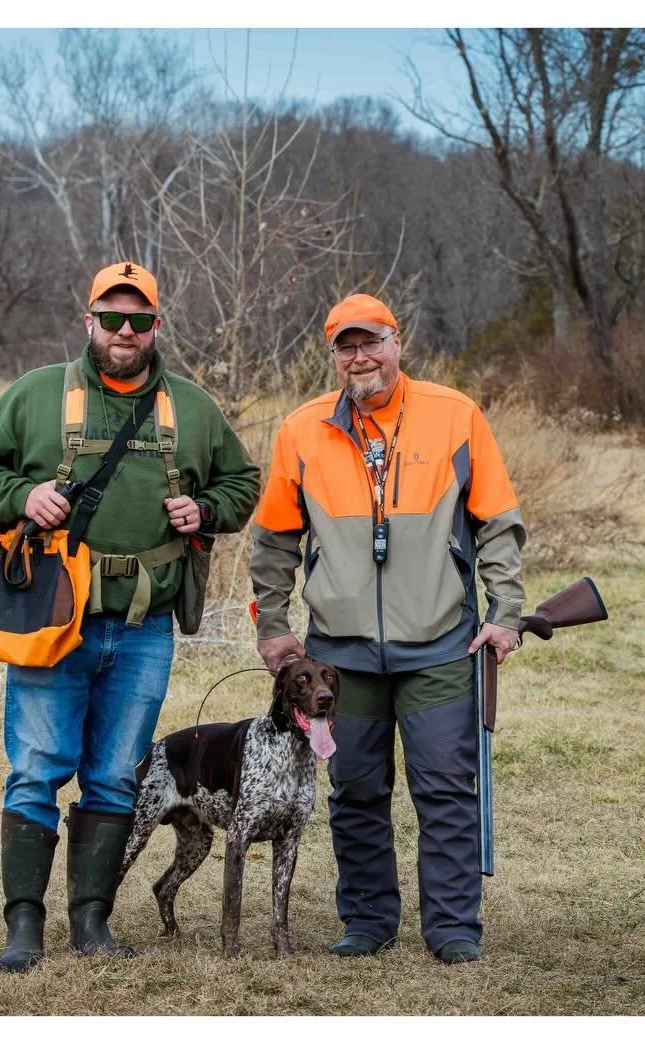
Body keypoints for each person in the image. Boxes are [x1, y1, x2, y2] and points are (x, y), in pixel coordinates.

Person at [0, 261, 261, 972]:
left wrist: (206, 509)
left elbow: (242, 483)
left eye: (140, 319)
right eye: (112, 318)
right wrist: (24, 496)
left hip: (145, 630)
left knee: (117, 776)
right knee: (35, 771)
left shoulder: (191, 406)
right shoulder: (37, 395)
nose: (126, 332)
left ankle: (92, 922)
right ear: (87, 320)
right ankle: (23, 928)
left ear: (157, 325)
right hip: (53, 623)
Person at [248, 292, 526, 965]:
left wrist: (506, 611)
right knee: (356, 790)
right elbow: (274, 540)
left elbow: (497, 522)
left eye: (371, 341)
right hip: (340, 655)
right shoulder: (301, 430)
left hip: (439, 642)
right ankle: (367, 922)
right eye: (345, 345)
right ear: (333, 355)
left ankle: (454, 928)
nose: (359, 356)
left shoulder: (455, 416)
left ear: (397, 342)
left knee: (444, 786)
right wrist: (274, 624)